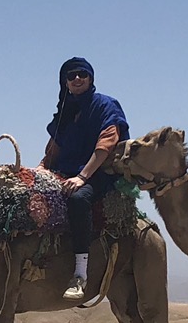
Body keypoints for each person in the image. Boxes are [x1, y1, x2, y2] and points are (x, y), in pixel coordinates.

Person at [39, 57, 129, 303]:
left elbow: (107, 143)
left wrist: (82, 177)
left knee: (79, 200)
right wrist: (39, 171)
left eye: (81, 74)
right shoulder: (66, 112)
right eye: (71, 76)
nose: (77, 79)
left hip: (98, 174)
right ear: (65, 83)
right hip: (66, 173)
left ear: (90, 78)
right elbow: (53, 149)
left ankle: (80, 274)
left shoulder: (105, 105)